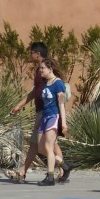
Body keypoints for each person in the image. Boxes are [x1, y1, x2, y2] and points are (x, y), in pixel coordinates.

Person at [6, 43, 59, 183]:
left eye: (31, 53)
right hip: (42, 111)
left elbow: (51, 92)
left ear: (37, 54)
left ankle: (61, 166)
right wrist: (19, 105)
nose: (30, 56)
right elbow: (35, 92)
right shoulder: (40, 71)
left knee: (44, 145)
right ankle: (23, 172)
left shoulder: (44, 71)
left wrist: (46, 113)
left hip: (46, 112)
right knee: (37, 144)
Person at [34, 56, 71, 186]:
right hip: (44, 117)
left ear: (50, 69)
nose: (41, 71)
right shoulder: (45, 84)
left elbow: (62, 104)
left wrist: (64, 123)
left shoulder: (58, 84)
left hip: (53, 117)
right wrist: (39, 120)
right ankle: (64, 165)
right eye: (40, 69)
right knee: (41, 148)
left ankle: (50, 177)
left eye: (43, 68)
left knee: (49, 147)